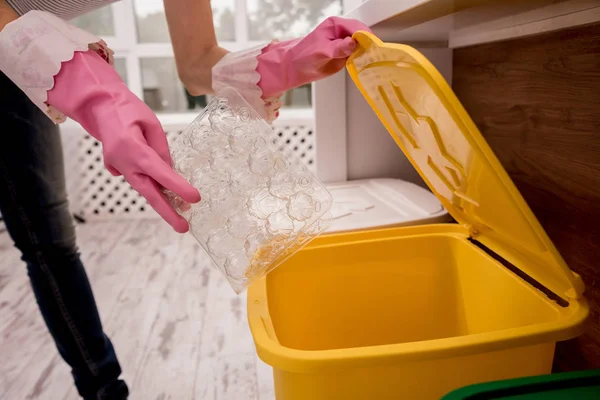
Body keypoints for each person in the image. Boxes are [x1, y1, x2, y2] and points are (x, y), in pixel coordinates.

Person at [0, 0, 368, 398]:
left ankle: (103, 390)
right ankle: (105, 389)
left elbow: (197, 63)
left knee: (53, 241)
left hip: (26, 53)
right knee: (44, 239)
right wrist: (92, 91)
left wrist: (283, 62)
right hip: (15, 46)